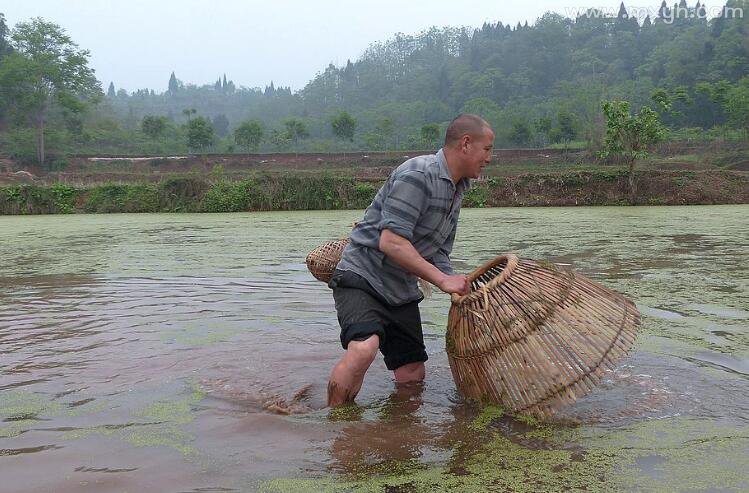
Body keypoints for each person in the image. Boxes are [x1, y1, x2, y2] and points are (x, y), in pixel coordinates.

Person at [327, 114, 495, 407]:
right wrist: (442, 281)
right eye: (488, 149)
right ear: (466, 144)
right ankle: (336, 425)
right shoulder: (418, 174)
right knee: (364, 349)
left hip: (400, 287)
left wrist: (456, 283)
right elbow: (391, 242)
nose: (489, 159)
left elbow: (439, 251)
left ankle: (399, 432)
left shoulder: (457, 189)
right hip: (364, 276)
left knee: (412, 373)